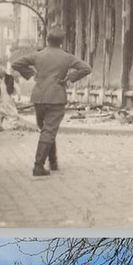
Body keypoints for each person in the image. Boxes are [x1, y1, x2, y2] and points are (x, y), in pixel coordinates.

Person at [11, 26, 91, 177]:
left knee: (47, 129)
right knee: (49, 130)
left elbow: (16, 64)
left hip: (39, 98)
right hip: (56, 97)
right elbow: (86, 68)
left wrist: (30, 73)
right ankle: (38, 166)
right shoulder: (67, 57)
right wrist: (70, 78)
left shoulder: (38, 55)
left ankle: (52, 161)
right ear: (62, 41)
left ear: (47, 39)